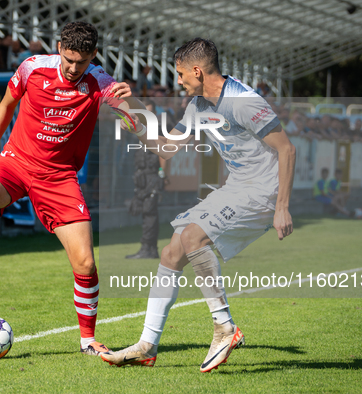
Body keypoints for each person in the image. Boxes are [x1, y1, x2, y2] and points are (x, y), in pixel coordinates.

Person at [0, 22, 133, 357]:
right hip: (17, 162)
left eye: (81, 62)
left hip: (58, 178)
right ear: (59, 48)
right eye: (69, 59)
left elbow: (129, 115)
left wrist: (134, 112)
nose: (73, 68)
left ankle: (87, 340)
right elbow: (7, 104)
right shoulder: (32, 68)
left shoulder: (99, 81)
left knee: (85, 262)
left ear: (93, 57)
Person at [102, 38, 296, 372]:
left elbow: (287, 149)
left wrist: (282, 206)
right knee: (171, 253)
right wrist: (132, 111)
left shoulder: (243, 102)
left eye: (180, 74)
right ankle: (146, 346)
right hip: (236, 188)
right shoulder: (198, 106)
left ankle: (224, 328)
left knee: (193, 237)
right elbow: (166, 149)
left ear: (197, 71)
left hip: (263, 191)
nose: (178, 81)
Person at [126, 100, 165, 259]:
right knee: (145, 212)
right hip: (141, 177)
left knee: (150, 212)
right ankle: (147, 248)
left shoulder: (157, 130)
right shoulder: (139, 130)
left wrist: (162, 174)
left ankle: (149, 249)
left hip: (152, 175)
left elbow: (164, 153)